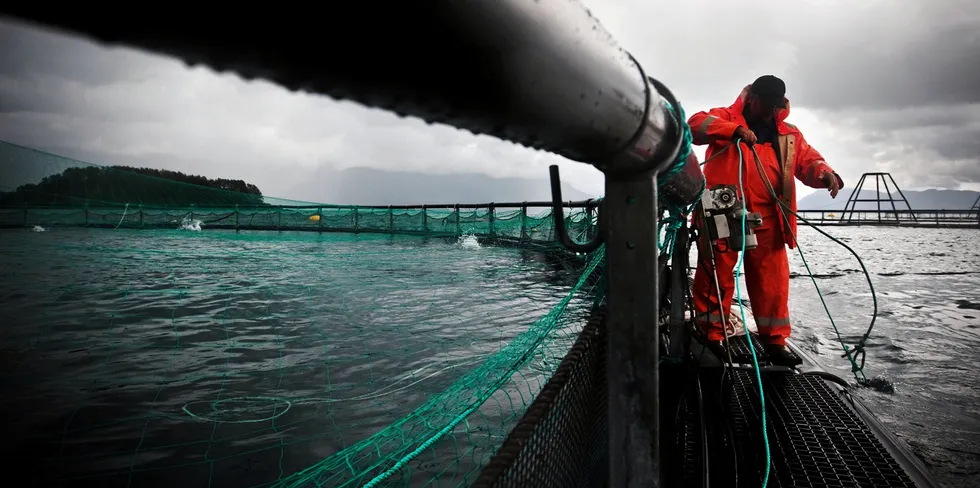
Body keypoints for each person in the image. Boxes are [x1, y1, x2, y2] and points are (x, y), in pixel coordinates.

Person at [687, 75, 844, 366]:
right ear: (753, 98)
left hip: (770, 215)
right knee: (716, 272)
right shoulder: (723, 116)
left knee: (772, 279)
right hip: (725, 208)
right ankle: (711, 335)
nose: (771, 112)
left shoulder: (789, 133)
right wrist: (733, 130)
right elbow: (694, 126)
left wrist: (825, 174)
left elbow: (807, 162)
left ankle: (774, 342)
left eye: (776, 107)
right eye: (766, 105)